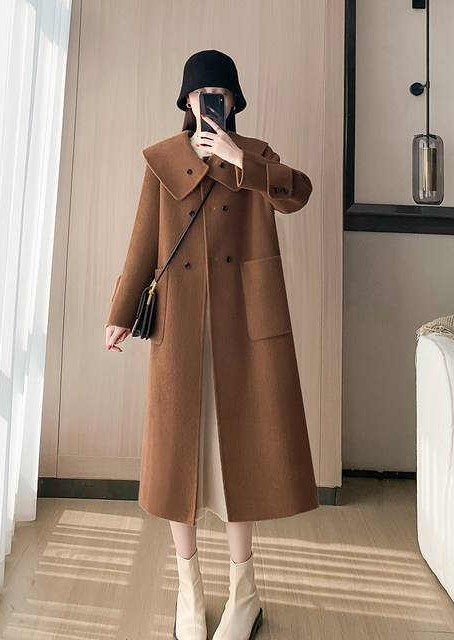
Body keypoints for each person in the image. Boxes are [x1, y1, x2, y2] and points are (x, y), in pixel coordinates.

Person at [104, 49, 318, 640]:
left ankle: (244, 595)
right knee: (180, 458)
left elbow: (298, 194)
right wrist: (121, 312)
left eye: (220, 95)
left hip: (243, 323)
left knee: (239, 454)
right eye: (202, 95)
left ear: (234, 102)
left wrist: (239, 158)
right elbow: (143, 239)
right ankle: (189, 592)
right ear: (187, 101)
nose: (210, 103)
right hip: (180, 326)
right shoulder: (163, 160)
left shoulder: (256, 156)